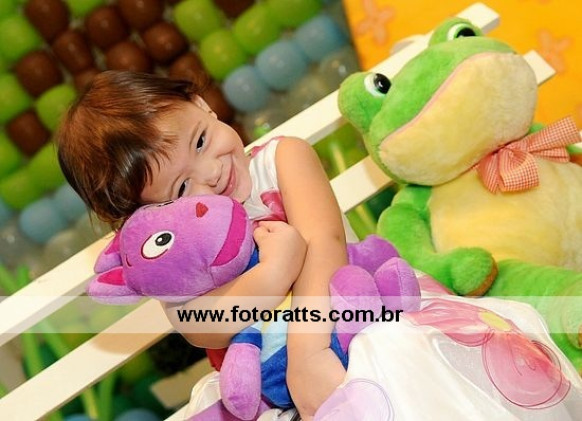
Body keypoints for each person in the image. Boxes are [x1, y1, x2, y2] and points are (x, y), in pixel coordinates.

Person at [56, 70, 350, 419]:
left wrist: (307, 354)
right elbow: (200, 326)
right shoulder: (177, 247)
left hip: (356, 327)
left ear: (201, 105)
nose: (211, 173)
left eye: (199, 142)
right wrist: (275, 271)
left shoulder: (283, 159)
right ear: (149, 216)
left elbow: (325, 245)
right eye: (181, 187)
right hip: (266, 390)